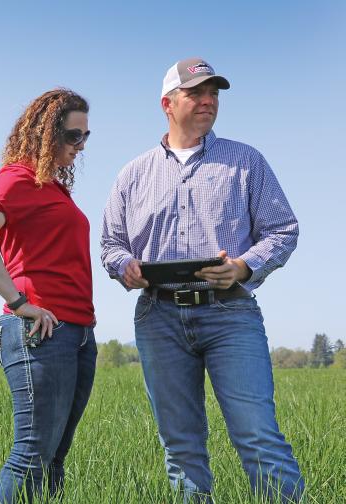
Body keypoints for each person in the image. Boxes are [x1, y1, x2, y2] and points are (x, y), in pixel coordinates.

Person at [101, 57, 303, 503]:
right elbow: (112, 244)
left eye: (214, 93)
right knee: (180, 446)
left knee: (258, 437)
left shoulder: (246, 161)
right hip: (158, 317)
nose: (208, 101)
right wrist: (125, 267)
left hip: (230, 313)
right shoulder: (132, 175)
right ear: (167, 104)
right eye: (195, 93)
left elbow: (283, 230)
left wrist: (243, 267)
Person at [0, 88, 98, 503]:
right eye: (73, 136)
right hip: (41, 332)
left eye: (86, 137)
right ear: (46, 133)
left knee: (54, 457)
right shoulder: (18, 177)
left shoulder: (53, 188)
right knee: (31, 454)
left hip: (77, 332)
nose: (80, 146)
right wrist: (20, 302)